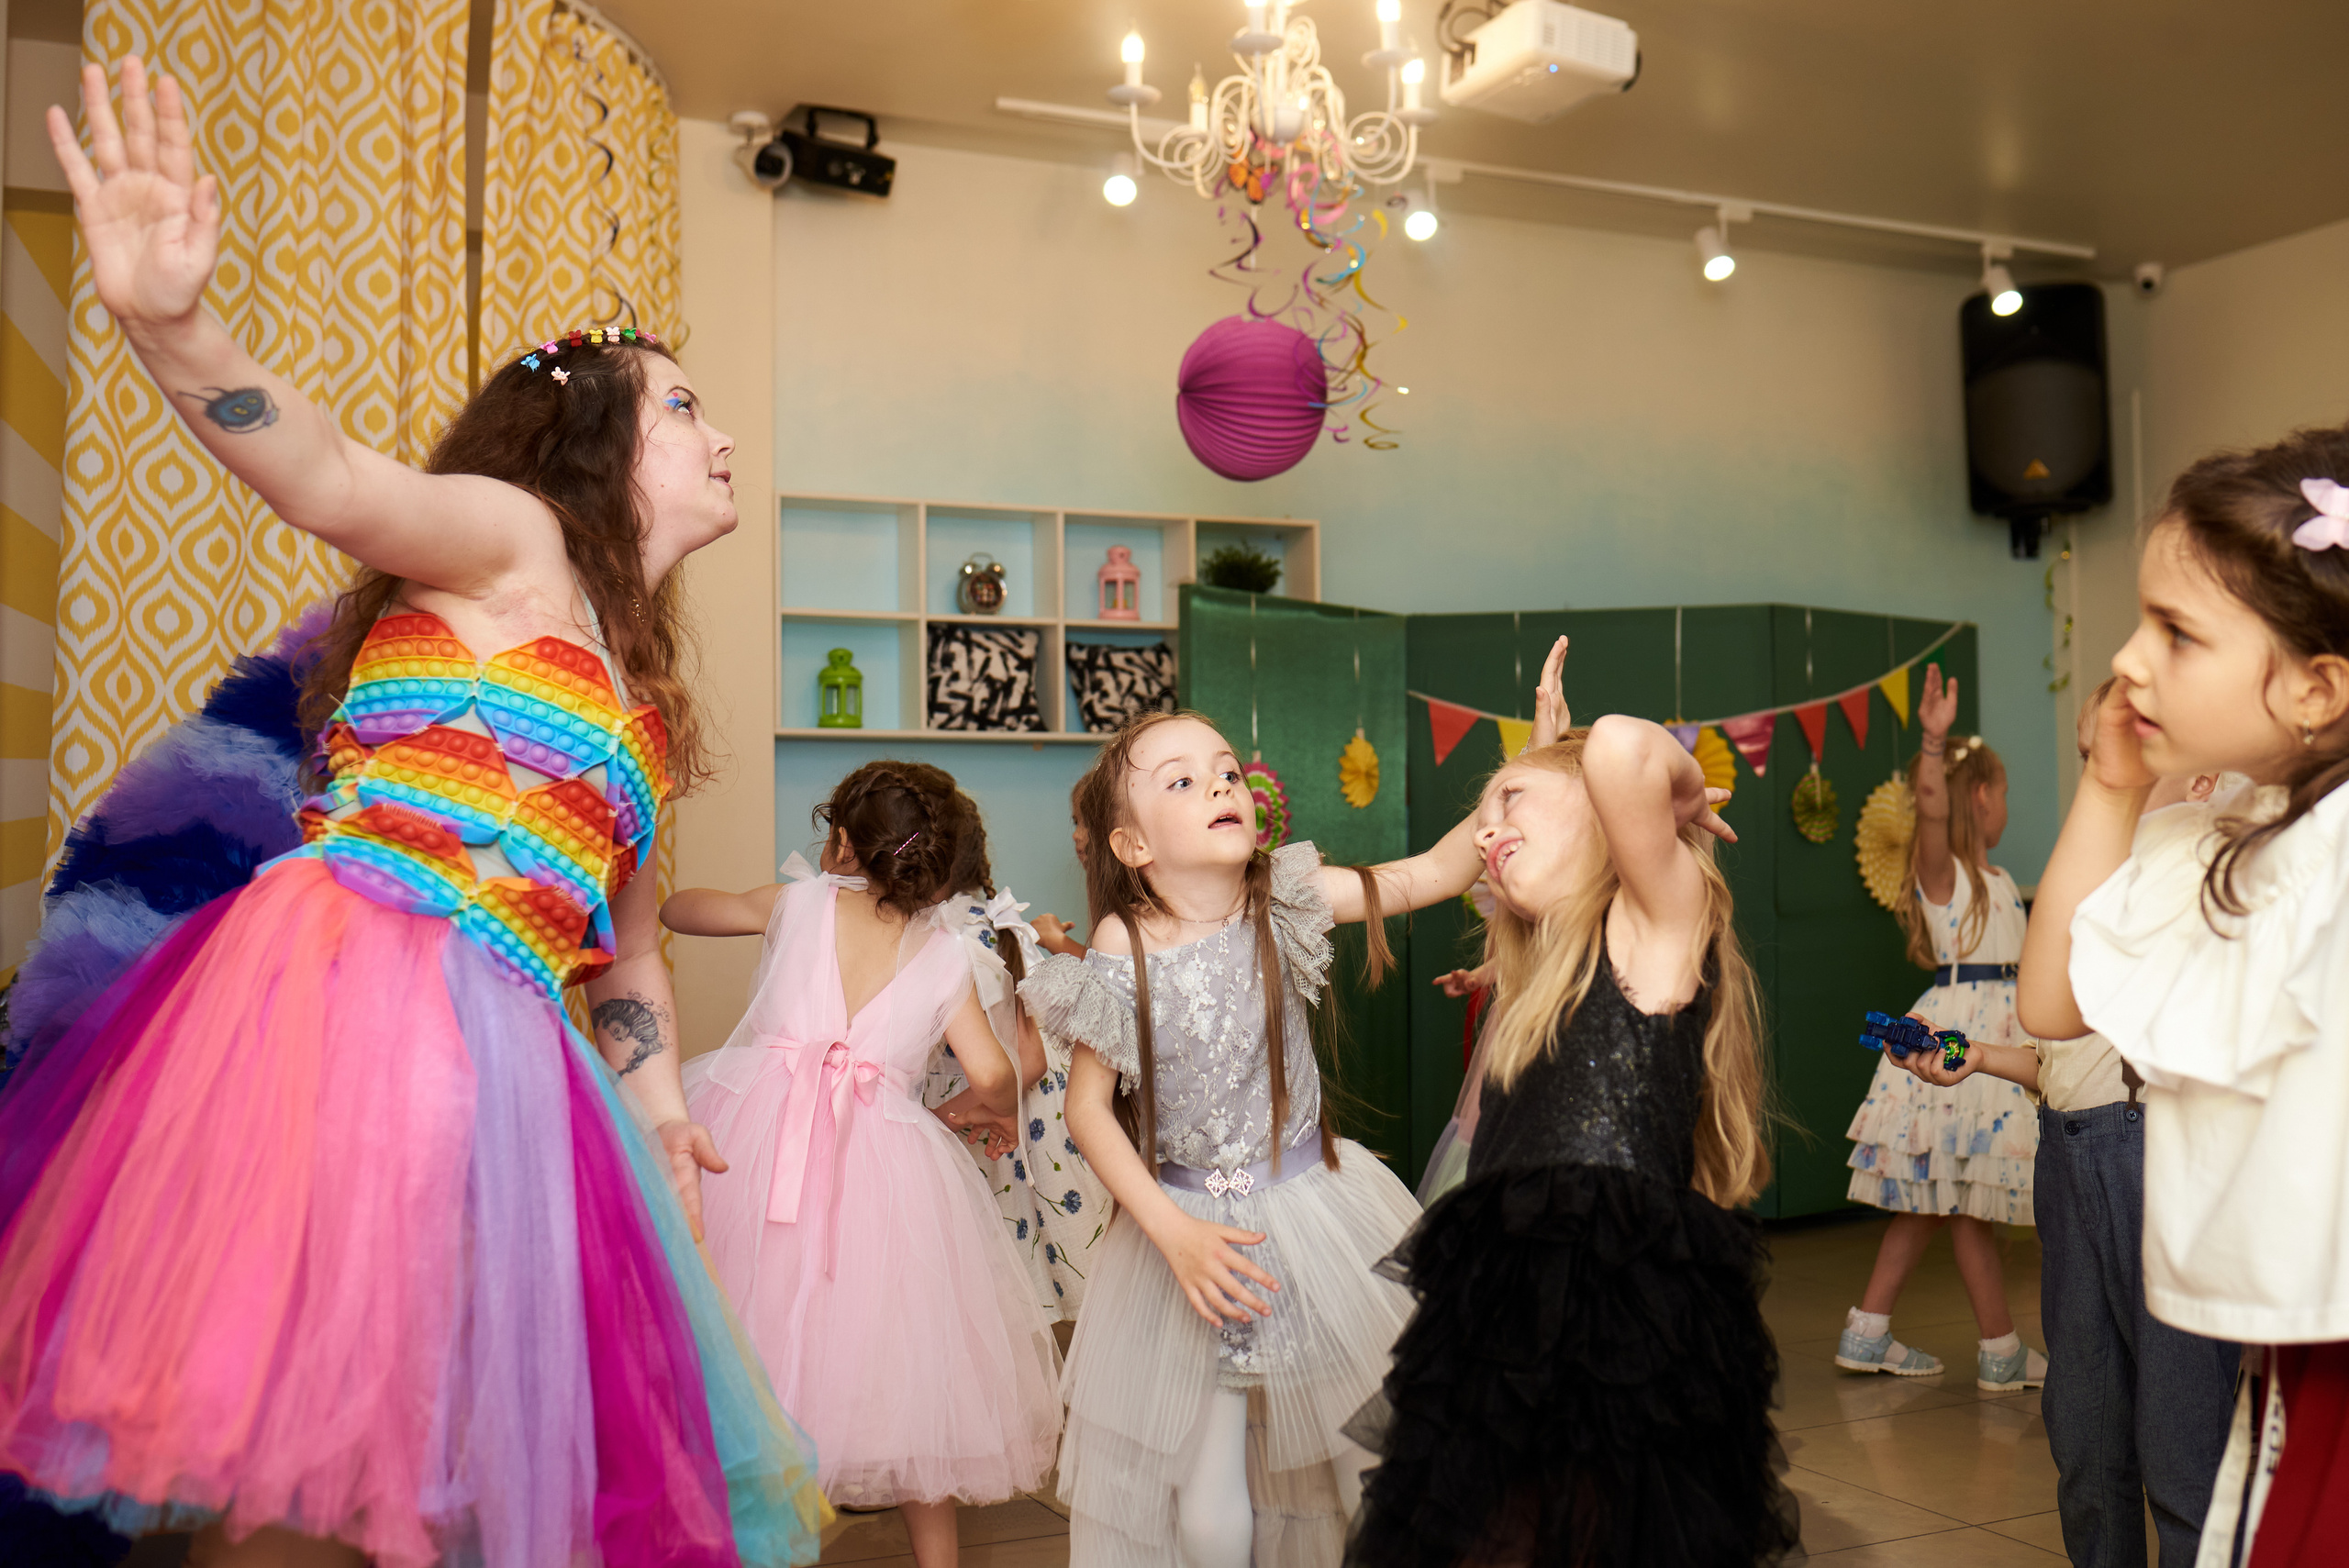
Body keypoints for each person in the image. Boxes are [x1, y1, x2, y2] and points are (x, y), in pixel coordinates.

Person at [0, 57, 829, 1568]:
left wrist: (654, 1113)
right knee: (329, 1424)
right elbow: (325, 476)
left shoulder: (635, 699)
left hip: (517, 1042)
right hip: (363, 994)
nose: (723, 437)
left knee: (440, 1456)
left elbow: (625, 945)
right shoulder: (514, 538)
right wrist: (173, 324)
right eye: (688, 407)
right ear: (588, 442)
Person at [1020, 709, 1487, 1568]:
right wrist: (1175, 1233)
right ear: (1131, 847)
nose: (1219, 786)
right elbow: (1087, 1109)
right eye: (1182, 781)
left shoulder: (1287, 899)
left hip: (1318, 1213)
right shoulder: (1125, 942)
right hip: (1187, 1230)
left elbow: (1432, 870)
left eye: (1226, 770)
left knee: (1378, 1447)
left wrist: (1526, 768)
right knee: (1206, 1491)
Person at [1345, 689, 1801, 1566]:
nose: (1485, 833)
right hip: (1507, 1307)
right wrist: (1534, 792)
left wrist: (1681, 797)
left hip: (1615, 1309)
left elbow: (1626, 747)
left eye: (1507, 801)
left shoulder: (1656, 925)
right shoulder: (1545, 969)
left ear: (1603, 812)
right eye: (1482, 821)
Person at [2021, 429, 2349, 1566]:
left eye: (2175, 631)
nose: (2127, 659)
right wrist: (2112, 782)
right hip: (2294, 1366)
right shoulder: (2230, 831)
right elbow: (2055, 1003)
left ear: (2317, 686)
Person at [668, 762, 1063, 1568]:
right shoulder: (946, 952)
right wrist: (957, 1111)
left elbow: (683, 911)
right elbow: (993, 1075)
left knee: (752, 1344)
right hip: (883, 1157)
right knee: (906, 1365)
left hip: (755, 1135)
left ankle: (750, 1541)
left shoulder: (796, 901)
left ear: (843, 843)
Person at [1897, 677, 2237, 1566]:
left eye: (2116, 750)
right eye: (2088, 756)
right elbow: (2061, 1046)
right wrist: (1980, 1055)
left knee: (2183, 1453)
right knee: (2084, 1441)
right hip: (2070, 1145)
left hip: (2157, 1150)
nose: (2099, 772)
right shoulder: (2096, 849)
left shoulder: (2210, 835)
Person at [1838, 664, 2048, 1392]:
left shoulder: (1995, 881)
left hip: (1989, 1039)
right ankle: (2000, 1350)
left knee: (1939, 1200)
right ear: (1983, 797)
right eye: (2007, 793)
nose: (2008, 804)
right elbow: (1930, 815)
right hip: (1959, 1044)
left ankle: (1872, 1330)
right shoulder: (1948, 874)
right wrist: (1932, 741)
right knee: (1955, 1203)